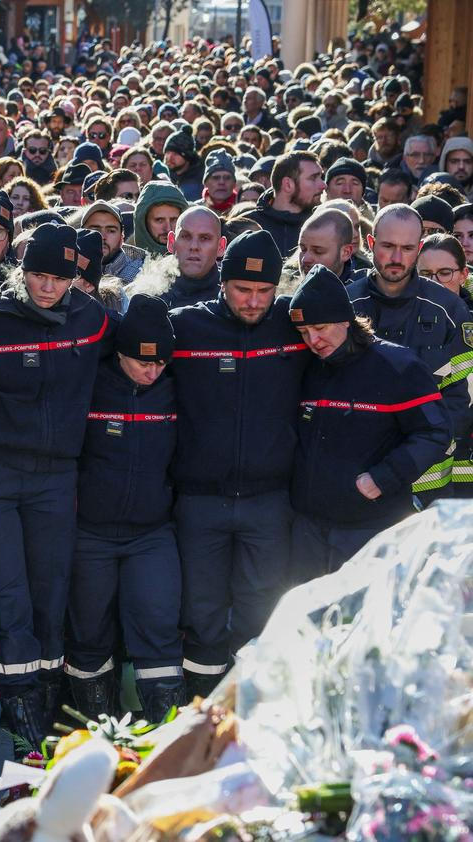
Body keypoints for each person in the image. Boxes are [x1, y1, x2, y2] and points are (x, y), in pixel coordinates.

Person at [0, 222, 111, 754]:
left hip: (56, 475)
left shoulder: (91, 321)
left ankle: (40, 704)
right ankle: (21, 721)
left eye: (59, 278)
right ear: (21, 271)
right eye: (37, 275)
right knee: (6, 594)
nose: (47, 288)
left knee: (49, 594)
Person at [169, 230, 308, 698]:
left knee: (260, 615)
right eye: (242, 290)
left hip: (269, 502)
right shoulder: (185, 326)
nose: (253, 301)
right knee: (201, 616)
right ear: (223, 283)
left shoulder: (292, 328)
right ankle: (200, 717)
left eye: (264, 291)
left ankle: (251, 717)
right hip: (199, 501)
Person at [64, 295, 185, 722]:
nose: (152, 371)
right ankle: (97, 733)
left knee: (158, 629)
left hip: (151, 535)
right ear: (119, 353)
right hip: (90, 535)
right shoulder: (89, 386)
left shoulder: (174, 390)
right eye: (141, 363)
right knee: (89, 635)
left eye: (161, 364)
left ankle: (163, 737)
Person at [288, 266, 450, 576]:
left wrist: (384, 477)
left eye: (320, 327)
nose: (313, 340)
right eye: (304, 332)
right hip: (309, 531)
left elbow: (435, 431)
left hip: (372, 528)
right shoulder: (308, 367)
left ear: (345, 319)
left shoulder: (397, 366)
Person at [347, 204, 473, 498]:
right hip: (358, 478)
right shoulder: (346, 305)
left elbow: (460, 401)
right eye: (387, 246)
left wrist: (408, 458)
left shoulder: (450, 311)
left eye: (406, 248)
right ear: (370, 243)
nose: (395, 258)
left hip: (427, 480)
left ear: (418, 248)